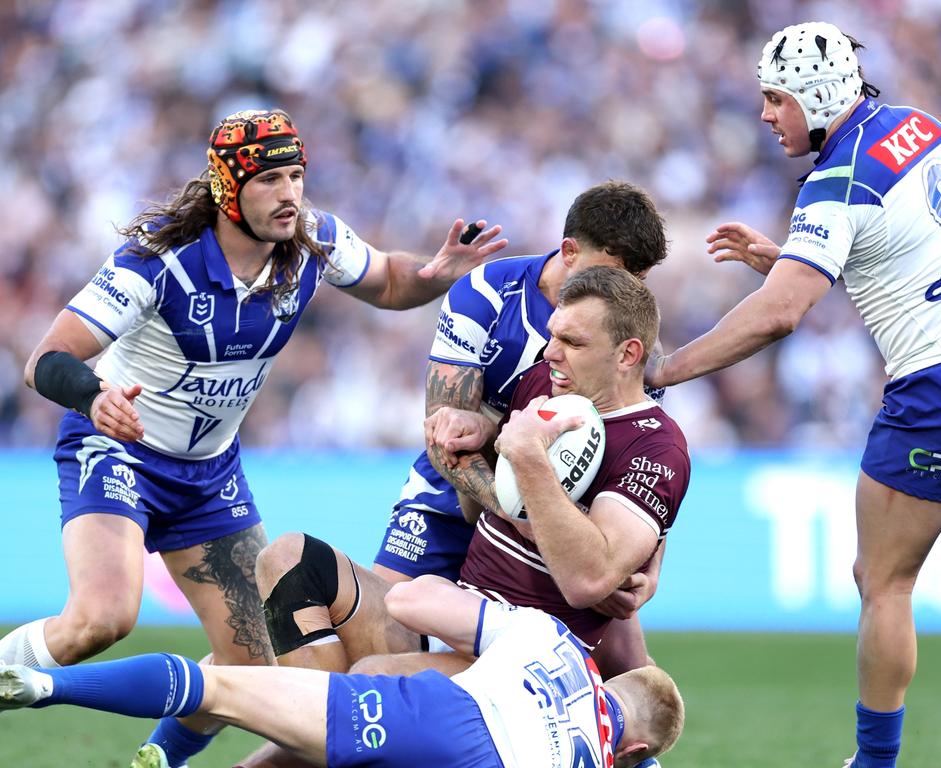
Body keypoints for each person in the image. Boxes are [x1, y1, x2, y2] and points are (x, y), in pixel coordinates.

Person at [0, 108, 506, 768]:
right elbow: (46, 359)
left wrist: (435, 273)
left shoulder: (312, 242)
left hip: (208, 474)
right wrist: (95, 396)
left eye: (296, 174)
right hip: (119, 446)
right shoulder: (159, 261)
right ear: (226, 189)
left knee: (250, 662)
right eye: (270, 179)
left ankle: (157, 762)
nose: (290, 193)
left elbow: (385, 279)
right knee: (102, 618)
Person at [644, 22, 941, 768]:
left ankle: (875, 763)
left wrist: (663, 371)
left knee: (882, 582)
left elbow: (781, 314)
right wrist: (788, 259)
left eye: (775, 99)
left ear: (816, 98)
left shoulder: (835, 184)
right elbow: (904, 259)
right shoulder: (922, 126)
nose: (765, 115)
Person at [240, 267, 688, 768]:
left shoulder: (656, 447)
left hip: (522, 668)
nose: (549, 353)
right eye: (553, 335)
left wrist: (528, 457)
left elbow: (590, 579)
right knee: (288, 559)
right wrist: (474, 441)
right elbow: (483, 508)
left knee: (374, 679)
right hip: (454, 610)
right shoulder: (546, 386)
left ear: (627, 354)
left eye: (572, 341)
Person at [372, 180, 670, 679]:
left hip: (555, 519)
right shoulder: (487, 292)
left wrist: (649, 564)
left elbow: (639, 458)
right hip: (453, 501)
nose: (630, 292)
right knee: (375, 634)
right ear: (571, 252)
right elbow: (443, 435)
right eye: (619, 273)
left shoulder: (630, 338)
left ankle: (632, 756)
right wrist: (517, 511)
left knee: (630, 674)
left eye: (640, 278)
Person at [0, 575, 685, 768]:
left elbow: (415, 600)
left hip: (444, 721)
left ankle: (47, 684)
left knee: (225, 683)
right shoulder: (610, 756)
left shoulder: (552, 636)